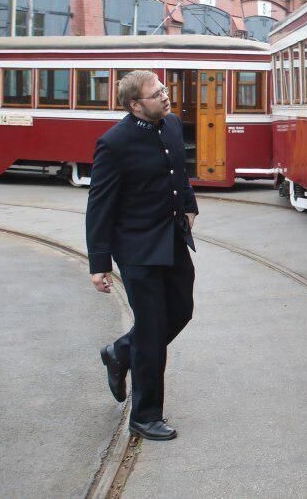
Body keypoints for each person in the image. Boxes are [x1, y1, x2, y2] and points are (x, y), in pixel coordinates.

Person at [86, 69, 198, 441]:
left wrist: (188, 204)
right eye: (156, 94)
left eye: (164, 89)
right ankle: (145, 415)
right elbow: (99, 205)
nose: (166, 97)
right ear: (136, 105)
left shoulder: (172, 125)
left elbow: (178, 171)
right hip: (136, 249)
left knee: (181, 311)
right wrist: (99, 263)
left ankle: (120, 352)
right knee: (151, 332)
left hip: (172, 239)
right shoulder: (114, 143)